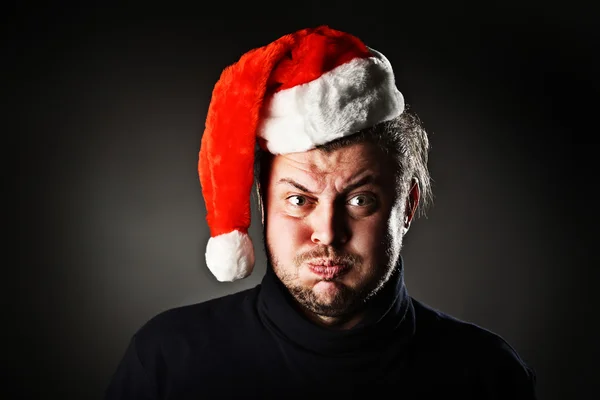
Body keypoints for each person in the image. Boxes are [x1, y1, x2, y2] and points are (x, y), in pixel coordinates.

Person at [104, 25, 537, 399]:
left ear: (407, 206)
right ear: (262, 203)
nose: (327, 234)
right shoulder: (166, 361)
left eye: (359, 200)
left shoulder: (487, 376)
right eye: (299, 200)